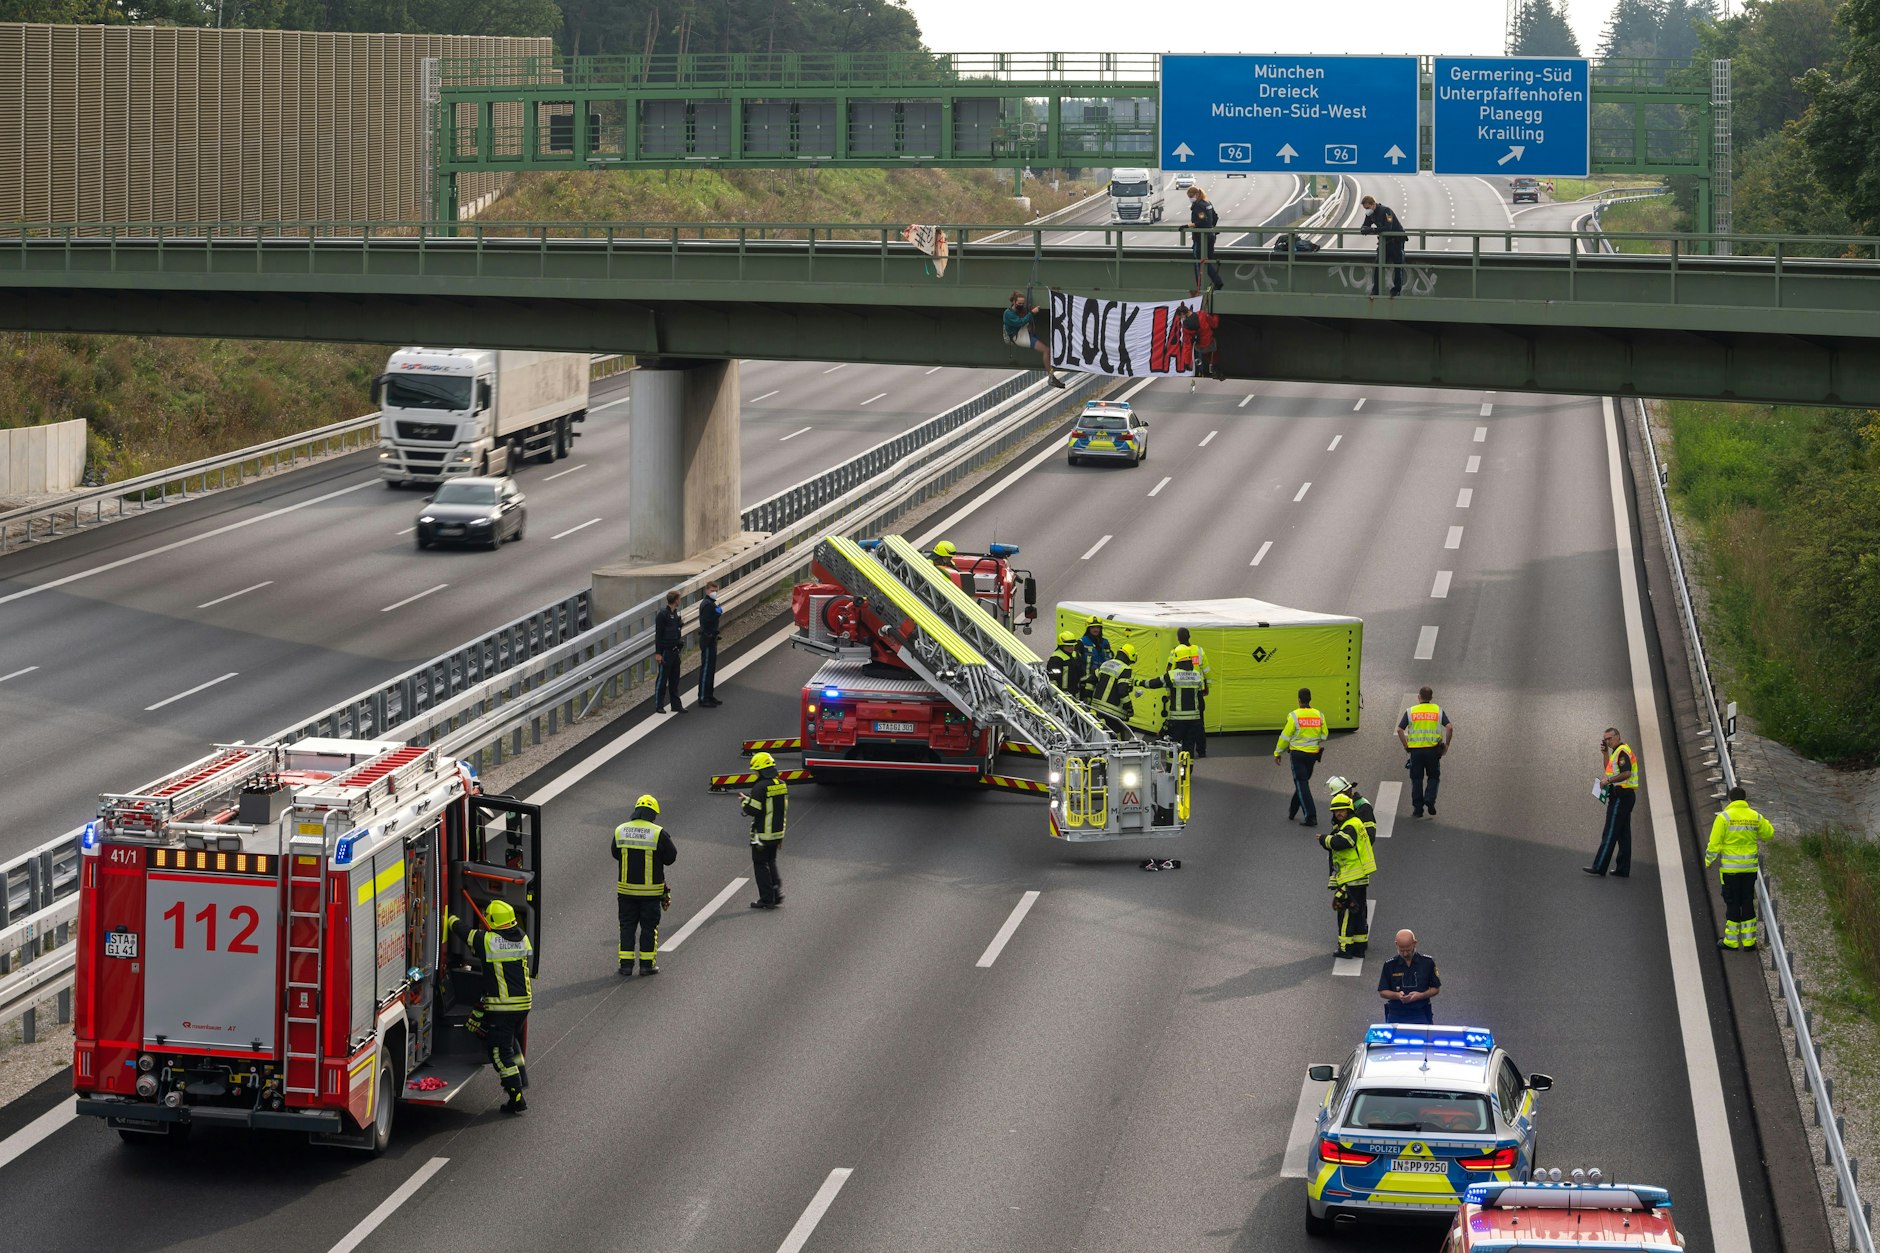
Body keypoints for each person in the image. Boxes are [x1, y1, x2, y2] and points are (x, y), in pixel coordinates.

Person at [445, 899, 533, 1113]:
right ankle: (521, 1076)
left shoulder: (488, 941)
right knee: (510, 1040)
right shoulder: (522, 938)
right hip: (523, 1005)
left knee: (499, 1052)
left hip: (503, 1008)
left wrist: (450, 918)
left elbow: (464, 932)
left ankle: (516, 1096)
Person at [613, 794, 678, 976]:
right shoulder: (658, 833)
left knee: (626, 927)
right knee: (649, 928)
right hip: (650, 893)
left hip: (626, 892)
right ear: (653, 814)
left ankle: (625, 966)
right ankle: (646, 965)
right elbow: (671, 857)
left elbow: (615, 853)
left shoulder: (621, 830)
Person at [1706, 786, 1774, 949]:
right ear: (1744, 799)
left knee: (1732, 902)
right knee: (1747, 901)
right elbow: (1769, 833)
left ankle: (1731, 941)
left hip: (1731, 870)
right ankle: (1749, 942)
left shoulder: (1724, 818)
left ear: (1729, 799)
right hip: (1749, 869)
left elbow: (1714, 843)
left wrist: (1708, 861)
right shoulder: (1754, 816)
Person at [1319, 792, 1376, 958]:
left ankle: (1345, 948)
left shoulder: (1350, 826)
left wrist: (1324, 839)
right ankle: (1359, 946)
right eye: (1336, 811)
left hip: (1351, 878)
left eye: (1342, 810)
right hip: (1358, 877)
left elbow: (1341, 842)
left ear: (1349, 810)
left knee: (1345, 914)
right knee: (1357, 912)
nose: (1338, 814)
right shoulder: (1354, 823)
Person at [1585, 726, 1638, 877]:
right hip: (1625, 796)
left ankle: (1599, 866)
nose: (1607, 741)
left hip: (1621, 797)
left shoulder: (1622, 752)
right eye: (1605, 739)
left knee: (1610, 832)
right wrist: (1605, 754)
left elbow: (1626, 773)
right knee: (1623, 834)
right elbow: (1609, 770)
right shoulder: (1616, 752)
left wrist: (1608, 780)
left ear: (1618, 737)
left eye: (1609, 738)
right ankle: (1622, 869)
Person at [1396, 686, 1453, 818]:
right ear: (1431, 698)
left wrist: (1406, 746)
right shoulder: (1438, 711)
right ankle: (1429, 799)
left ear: (1419, 697)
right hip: (1433, 751)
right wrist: (1447, 745)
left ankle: (1418, 810)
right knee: (1433, 776)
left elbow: (1399, 730)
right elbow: (1449, 727)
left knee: (1416, 779)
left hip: (1415, 752)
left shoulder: (1411, 711)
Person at [1274, 687, 1328, 826]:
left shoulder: (1294, 716)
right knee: (1302, 782)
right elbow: (1324, 735)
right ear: (1310, 699)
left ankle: (1311, 816)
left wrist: (1278, 752)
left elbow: (1285, 736)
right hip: (1312, 755)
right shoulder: (1319, 714)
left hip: (1297, 755)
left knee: (1301, 782)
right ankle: (1292, 811)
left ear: (1299, 700)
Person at [1136, 652, 1205, 759]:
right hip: (1193, 720)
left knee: (1172, 747)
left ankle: (1171, 771)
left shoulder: (1172, 675)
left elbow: (1154, 683)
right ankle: (1186, 773)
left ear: (1178, 662)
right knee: (1189, 750)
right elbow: (1200, 700)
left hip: (1177, 720)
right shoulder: (1197, 675)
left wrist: (1138, 682)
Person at [743, 751, 789, 909]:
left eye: (756, 770)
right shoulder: (781, 784)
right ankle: (777, 893)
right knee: (771, 861)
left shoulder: (760, 787)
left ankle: (766, 899)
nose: (755, 773)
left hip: (762, 835)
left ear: (761, 770)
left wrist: (744, 802)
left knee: (760, 864)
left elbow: (754, 809)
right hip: (777, 833)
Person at [1003, 291, 1067, 389]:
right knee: (1046, 350)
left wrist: (1031, 313)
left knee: (1048, 350)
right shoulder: (1008, 314)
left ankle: (1051, 375)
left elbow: (1025, 318)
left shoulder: (1019, 310)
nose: (1021, 305)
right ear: (1014, 302)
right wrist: (1032, 313)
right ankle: (1051, 377)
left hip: (1026, 333)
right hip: (1019, 337)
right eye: (1019, 303)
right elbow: (1020, 322)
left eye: (1022, 303)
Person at [1377, 930, 1441, 1023]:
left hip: (1420, 1013)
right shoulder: (1390, 965)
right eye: (1402, 950)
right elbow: (1382, 991)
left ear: (1415, 943)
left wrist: (1420, 995)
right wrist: (1397, 995)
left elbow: (1436, 988)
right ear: (1396, 944)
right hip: (1396, 1014)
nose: (1405, 954)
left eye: (1408, 950)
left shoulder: (1427, 963)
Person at [1167, 629, 1212, 753]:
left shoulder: (1175, 651)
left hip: (1180, 691)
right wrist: (1207, 686)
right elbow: (1206, 670)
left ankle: (1179, 750)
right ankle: (1201, 750)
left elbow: (1169, 671)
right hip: (1197, 689)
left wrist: (1169, 693)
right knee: (1199, 722)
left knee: (1179, 722)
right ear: (1189, 636)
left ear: (1178, 638)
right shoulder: (1199, 650)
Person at [1358, 195, 1408, 298]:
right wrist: (1364, 229)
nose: (1366, 211)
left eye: (1367, 208)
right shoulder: (1370, 214)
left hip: (1396, 241)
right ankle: (1376, 289)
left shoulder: (1386, 211)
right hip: (1385, 242)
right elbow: (1365, 225)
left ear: (1373, 204)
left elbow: (1388, 227)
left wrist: (1372, 230)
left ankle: (1396, 290)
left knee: (1398, 265)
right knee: (1378, 264)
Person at [1088, 643, 1139, 737]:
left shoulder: (1106, 664)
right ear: (1129, 658)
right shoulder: (1125, 669)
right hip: (1112, 711)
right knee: (1116, 739)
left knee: (1099, 737)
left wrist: (1088, 699)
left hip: (1096, 708)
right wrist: (1129, 707)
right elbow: (1122, 692)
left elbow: (1091, 681)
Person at [1186, 185, 1224, 291]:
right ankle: (1217, 282)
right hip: (1210, 236)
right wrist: (1211, 228)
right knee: (1208, 260)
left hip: (1201, 238)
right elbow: (1215, 217)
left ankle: (1200, 286)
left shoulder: (1199, 206)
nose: (1190, 198)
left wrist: (1189, 225)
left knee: (1199, 261)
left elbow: (1202, 222)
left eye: (1191, 196)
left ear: (1197, 194)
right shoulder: (1208, 203)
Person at [653, 589, 685, 714]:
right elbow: (659, 635)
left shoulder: (676, 614)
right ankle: (659, 705)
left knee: (675, 679)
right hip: (666, 652)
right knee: (662, 680)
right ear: (675, 600)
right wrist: (658, 653)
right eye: (679, 598)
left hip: (675, 650)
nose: (680, 601)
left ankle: (676, 704)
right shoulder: (662, 615)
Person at [1179, 303, 1222, 392]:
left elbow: (1187, 346)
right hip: (1210, 343)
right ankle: (1215, 366)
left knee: (1204, 352)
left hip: (1200, 347)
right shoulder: (1202, 315)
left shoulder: (1185, 328)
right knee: (1213, 349)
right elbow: (1215, 324)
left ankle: (1208, 366)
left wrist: (1187, 362)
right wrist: (1216, 314)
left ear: (1183, 315)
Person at [1322, 775, 1377, 840]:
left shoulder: (1363, 806)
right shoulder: (1341, 805)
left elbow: (1370, 835)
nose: (1337, 798)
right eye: (1335, 796)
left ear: (1348, 791)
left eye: (1339, 794)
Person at [696, 581, 723, 708]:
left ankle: (709, 695)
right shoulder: (707, 604)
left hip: (712, 639)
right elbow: (706, 622)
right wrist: (717, 613)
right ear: (707, 591)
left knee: (711, 670)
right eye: (712, 590)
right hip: (707, 640)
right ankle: (703, 697)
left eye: (715, 590)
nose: (714, 592)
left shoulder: (711, 604)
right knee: (706, 669)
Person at [1076, 622, 1113, 700]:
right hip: (1085, 682)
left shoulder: (1105, 643)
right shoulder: (1082, 642)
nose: (1095, 629)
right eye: (1093, 627)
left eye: (1098, 627)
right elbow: (1076, 663)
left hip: (1100, 683)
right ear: (1088, 629)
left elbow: (1109, 661)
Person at [1046, 629, 1085, 696]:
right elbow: (1052, 679)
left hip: (1076, 693)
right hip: (1062, 695)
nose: (1071, 648)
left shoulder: (1075, 655)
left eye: (1072, 645)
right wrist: (1056, 695)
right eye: (1068, 646)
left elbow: (1081, 672)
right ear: (1061, 645)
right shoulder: (1056, 659)